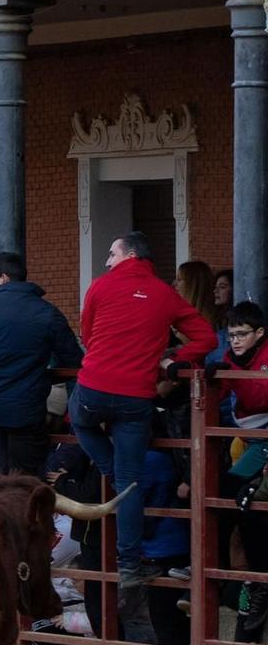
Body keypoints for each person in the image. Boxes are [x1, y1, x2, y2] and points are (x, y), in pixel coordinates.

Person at [74, 230, 217, 582]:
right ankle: (129, 565)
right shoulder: (166, 294)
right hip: (137, 396)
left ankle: (110, 470)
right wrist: (172, 358)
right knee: (130, 484)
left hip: (94, 388)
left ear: (130, 255)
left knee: (80, 420)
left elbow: (88, 336)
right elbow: (207, 338)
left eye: (111, 254)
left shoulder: (99, 286)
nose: (107, 261)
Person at [0, 252, 83, 477]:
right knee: (27, 477)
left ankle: (4, 505)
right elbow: (74, 360)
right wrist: (47, 376)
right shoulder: (46, 312)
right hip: (26, 406)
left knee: (4, 472)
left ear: (3, 278)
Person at [213, 302, 268, 645]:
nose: (235, 341)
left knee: (240, 498)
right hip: (253, 449)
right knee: (236, 504)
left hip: (259, 450)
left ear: (260, 333)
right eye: (231, 334)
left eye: (242, 333)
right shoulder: (231, 360)